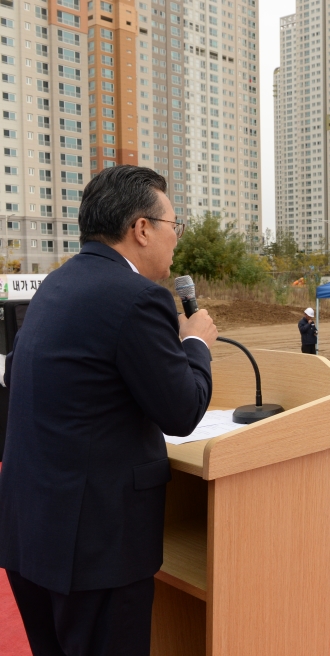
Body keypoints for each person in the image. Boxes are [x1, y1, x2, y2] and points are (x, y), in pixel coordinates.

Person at [0, 165, 216, 654]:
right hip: (94, 547)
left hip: (30, 531)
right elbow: (182, 411)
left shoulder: (55, 287)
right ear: (142, 229)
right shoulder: (137, 298)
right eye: (173, 227)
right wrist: (197, 345)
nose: (175, 241)